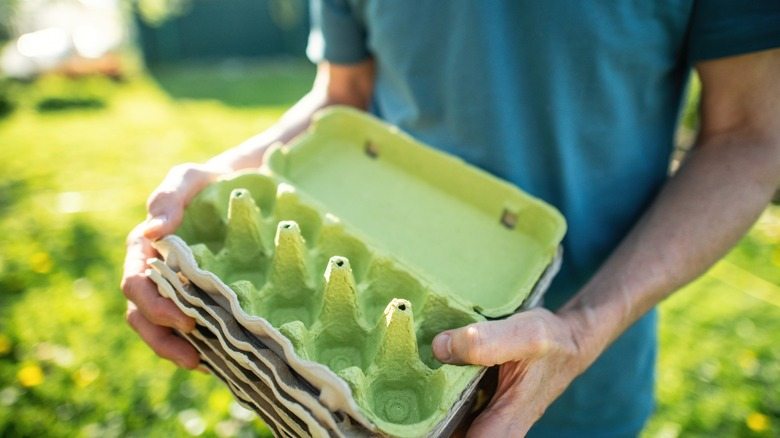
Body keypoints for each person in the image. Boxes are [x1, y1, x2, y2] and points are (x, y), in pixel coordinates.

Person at [122, 1, 780, 436]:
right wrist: (222, 177)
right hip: (362, 376)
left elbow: (750, 134)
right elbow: (342, 94)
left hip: (586, 362)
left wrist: (583, 331)